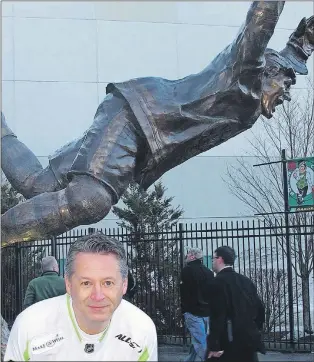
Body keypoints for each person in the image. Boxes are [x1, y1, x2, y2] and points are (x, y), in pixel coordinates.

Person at [2, 3, 314, 245]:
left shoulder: (249, 104)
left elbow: (288, 53)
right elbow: (261, 19)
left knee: (40, 187)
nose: (287, 93)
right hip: (138, 118)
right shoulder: (243, 73)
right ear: (266, 72)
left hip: (136, 124)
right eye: (286, 82)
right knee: (89, 201)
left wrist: (302, 45)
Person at [4, 232, 158, 361]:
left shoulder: (141, 329)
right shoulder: (28, 327)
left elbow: (27, 302)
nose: (98, 296)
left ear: (124, 285)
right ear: (68, 284)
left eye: (108, 283)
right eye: (86, 283)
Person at [206, 246, 265, 362]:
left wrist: (214, 345)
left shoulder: (216, 283)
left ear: (220, 259)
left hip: (228, 340)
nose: (212, 261)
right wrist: (254, 329)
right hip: (248, 339)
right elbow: (260, 309)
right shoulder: (246, 281)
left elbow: (218, 316)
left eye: (213, 258)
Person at [180, 248, 214, 361]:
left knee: (200, 342)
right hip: (206, 312)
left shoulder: (187, 271)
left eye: (188, 254)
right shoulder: (208, 272)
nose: (187, 255)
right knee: (199, 339)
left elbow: (184, 292)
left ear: (193, 257)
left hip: (193, 312)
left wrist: (184, 309)